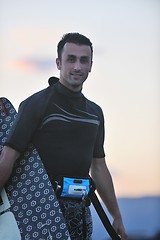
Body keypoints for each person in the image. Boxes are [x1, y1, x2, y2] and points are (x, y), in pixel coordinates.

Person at [0, 32, 127, 240]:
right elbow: (8, 158)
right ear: (59, 63)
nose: (77, 66)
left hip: (81, 211)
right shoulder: (36, 104)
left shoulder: (95, 113)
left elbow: (99, 167)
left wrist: (117, 216)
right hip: (40, 213)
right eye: (71, 59)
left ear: (91, 65)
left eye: (83, 60)